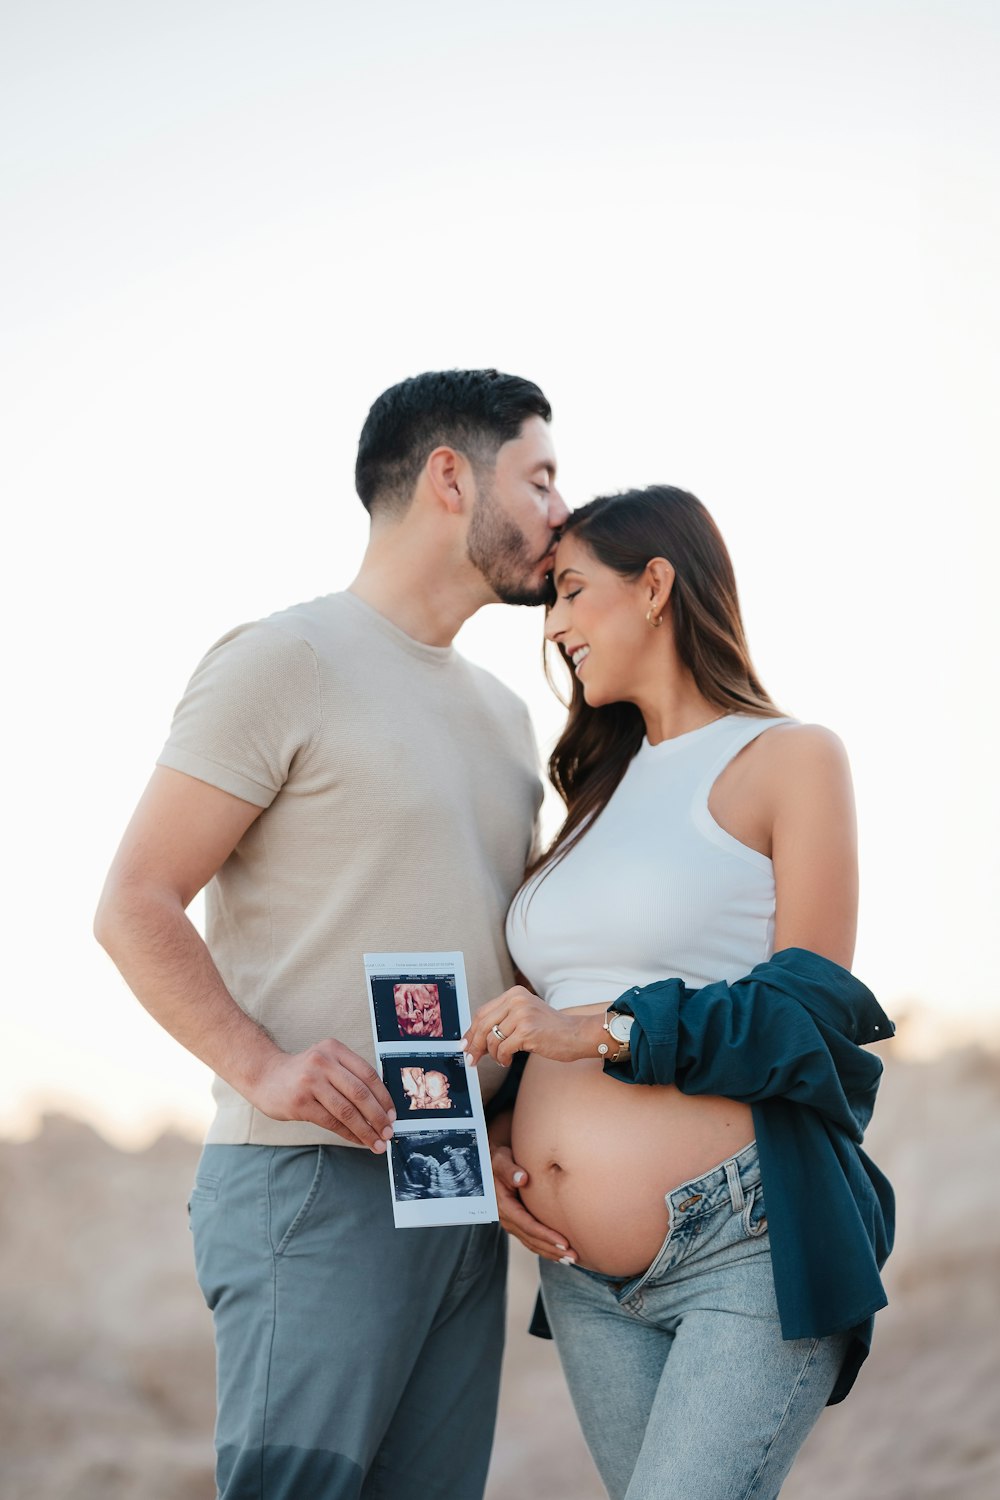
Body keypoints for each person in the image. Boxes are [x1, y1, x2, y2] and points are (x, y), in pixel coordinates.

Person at [94, 368, 568, 1500]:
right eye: (541, 477)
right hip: (312, 1179)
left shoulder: (505, 718)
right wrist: (261, 1065)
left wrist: (501, 1131)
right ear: (450, 478)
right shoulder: (284, 659)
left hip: (456, 1184)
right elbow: (133, 902)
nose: (562, 511)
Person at [464, 485, 894, 1500]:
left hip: (742, 1245)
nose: (555, 624)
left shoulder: (787, 758)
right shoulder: (593, 793)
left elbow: (805, 1019)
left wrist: (595, 1034)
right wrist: (495, 1138)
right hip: (577, 1274)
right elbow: (536, 1009)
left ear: (654, 586)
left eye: (570, 592)